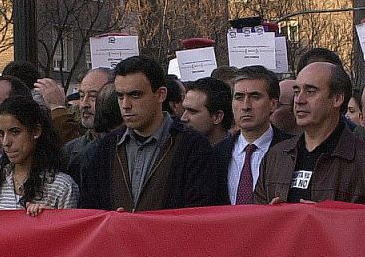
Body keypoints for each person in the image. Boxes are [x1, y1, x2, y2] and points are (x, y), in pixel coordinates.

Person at [79, 55, 223, 211]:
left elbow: (200, 213)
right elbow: (89, 210)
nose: (126, 105)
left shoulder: (193, 147)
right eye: (120, 96)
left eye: (135, 95)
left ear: (160, 94)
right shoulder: (106, 148)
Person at [255, 61, 365, 205]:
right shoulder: (276, 156)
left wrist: (326, 218)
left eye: (310, 91)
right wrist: (273, 214)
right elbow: (257, 218)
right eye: (297, 92)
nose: (299, 100)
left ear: (337, 98)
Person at [0, 94, 78, 215]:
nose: (6, 142)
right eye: (1, 134)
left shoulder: (62, 186)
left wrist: (50, 219)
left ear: (36, 131)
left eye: (15, 132)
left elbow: (71, 232)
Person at [214, 66, 290, 205]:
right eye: (239, 97)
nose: (245, 106)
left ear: (273, 104)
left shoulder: (293, 150)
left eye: (255, 97)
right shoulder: (216, 154)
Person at [179, 77, 233, 145]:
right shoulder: (181, 149)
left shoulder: (238, 153)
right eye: (184, 110)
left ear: (217, 117)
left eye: (192, 111)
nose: (183, 118)